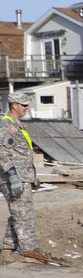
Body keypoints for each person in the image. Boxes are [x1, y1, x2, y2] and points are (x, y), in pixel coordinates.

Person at [0, 92, 37, 264]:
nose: (26, 108)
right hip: (14, 178)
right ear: (14, 105)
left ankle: (7, 249)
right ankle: (26, 252)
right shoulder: (6, 125)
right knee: (23, 215)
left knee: (19, 213)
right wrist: (13, 175)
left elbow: (22, 152)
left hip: (24, 176)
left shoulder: (17, 125)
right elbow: (2, 153)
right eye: (23, 105)